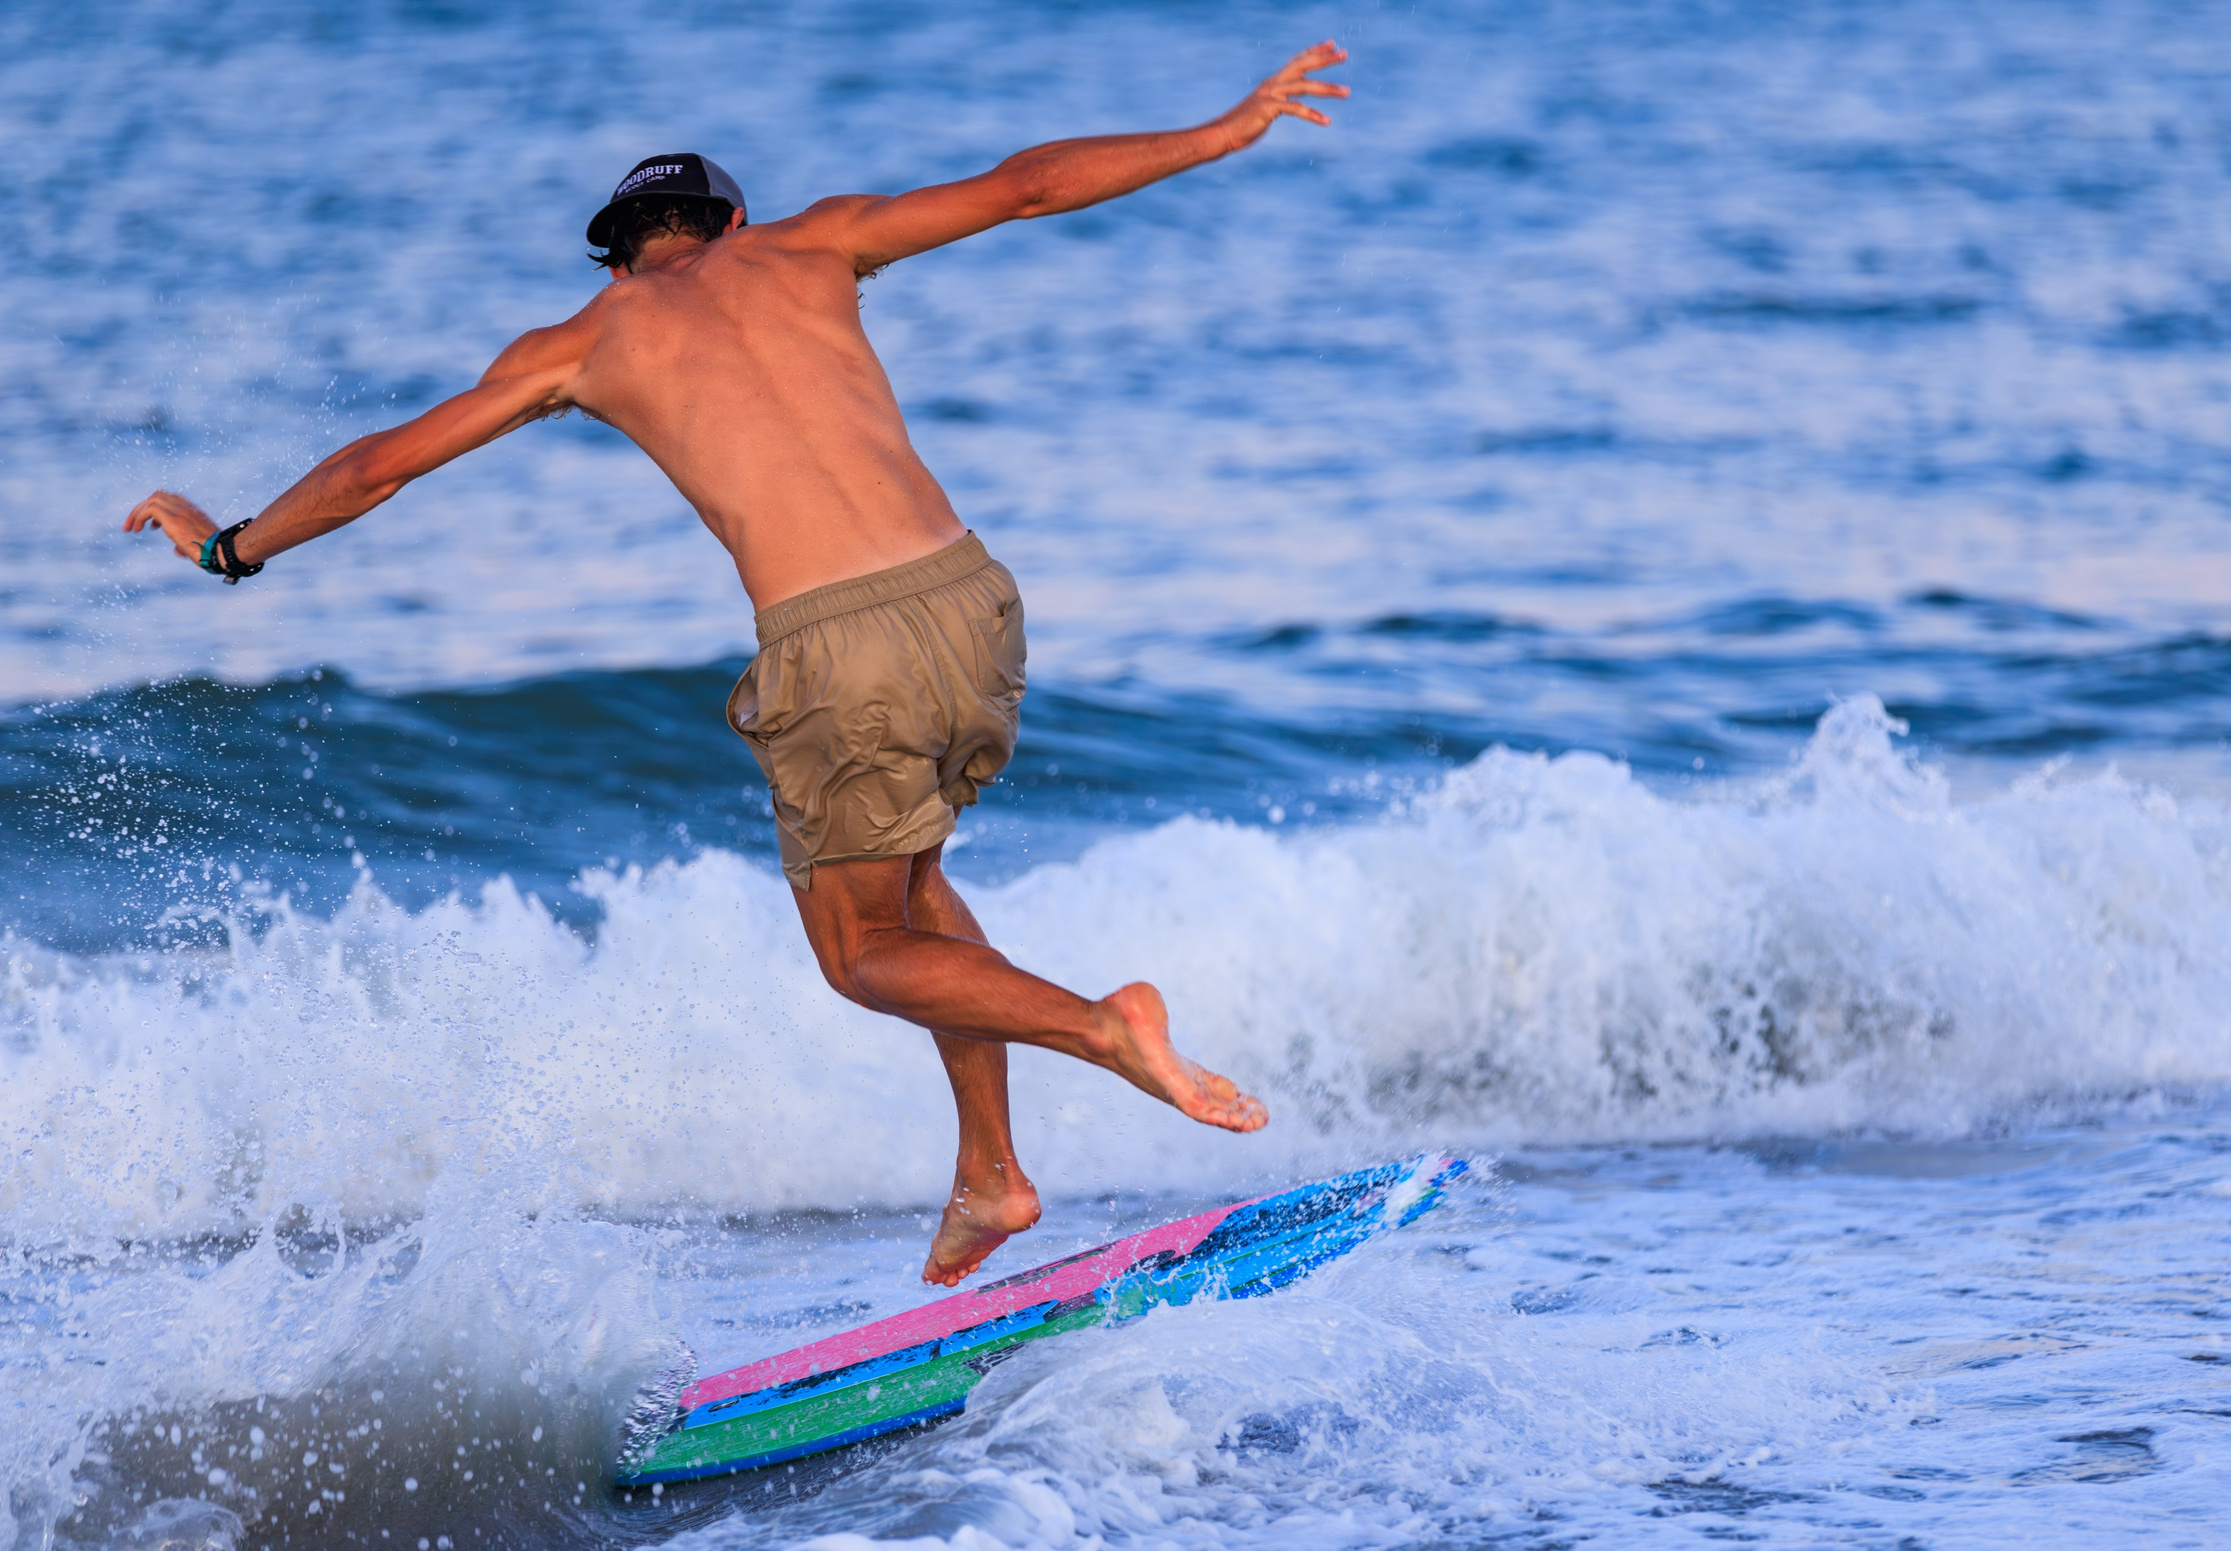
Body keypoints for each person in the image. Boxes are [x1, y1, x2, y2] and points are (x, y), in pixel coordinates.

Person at [122, 41, 1352, 1286]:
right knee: (915, 889)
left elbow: (375, 467)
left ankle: (1105, 1028)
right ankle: (991, 1174)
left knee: (858, 952)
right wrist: (1221, 128)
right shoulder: (814, 245)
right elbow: (1026, 184)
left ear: (615, 254)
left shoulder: (580, 343)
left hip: (837, 642)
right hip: (974, 600)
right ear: (729, 222)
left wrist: (229, 547)